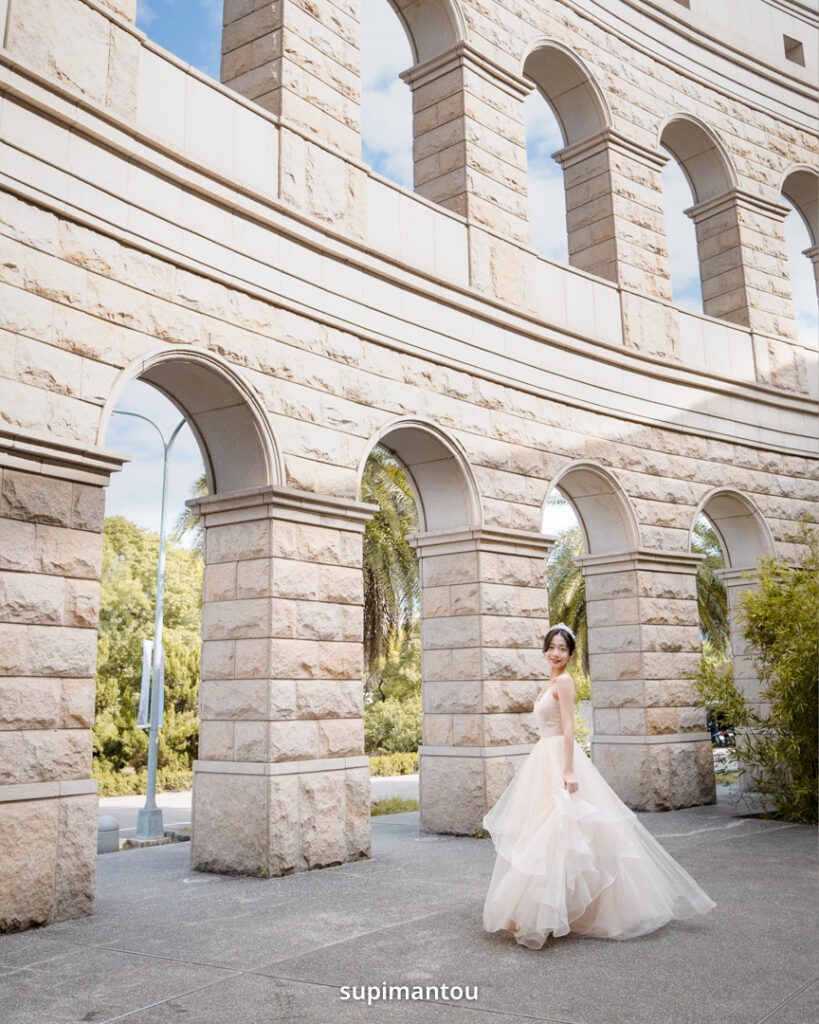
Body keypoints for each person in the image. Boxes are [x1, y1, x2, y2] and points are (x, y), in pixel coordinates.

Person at [482, 623, 715, 949]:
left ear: (571, 654)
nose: (556, 653)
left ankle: (551, 913)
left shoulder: (564, 681)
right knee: (546, 833)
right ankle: (547, 910)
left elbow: (567, 729)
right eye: (552, 647)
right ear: (545, 650)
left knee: (562, 831)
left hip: (560, 760)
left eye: (562, 649)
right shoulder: (550, 681)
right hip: (542, 760)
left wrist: (568, 770)